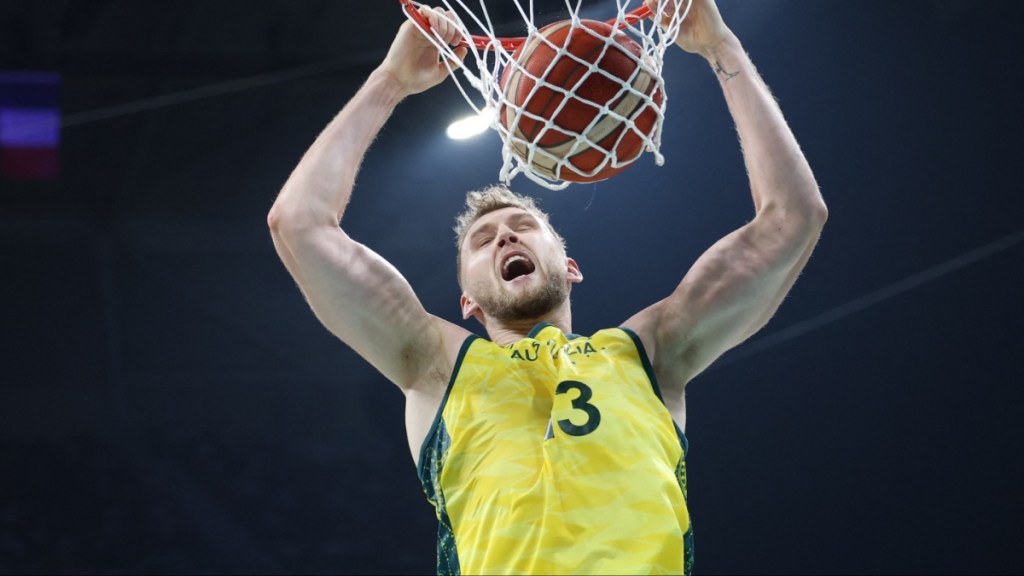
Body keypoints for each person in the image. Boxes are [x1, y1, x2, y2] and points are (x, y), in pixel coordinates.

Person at [268, 0, 827, 573]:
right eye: (482, 242)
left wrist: (721, 48)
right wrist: (388, 82)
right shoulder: (437, 367)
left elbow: (792, 219)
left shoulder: (649, 354)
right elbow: (300, 224)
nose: (505, 239)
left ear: (571, 265)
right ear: (467, 301)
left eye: (523, 227)